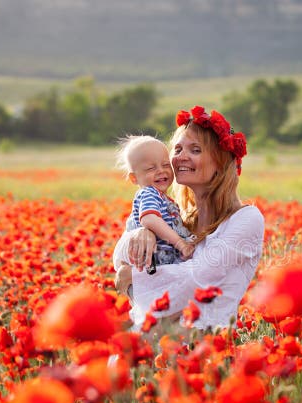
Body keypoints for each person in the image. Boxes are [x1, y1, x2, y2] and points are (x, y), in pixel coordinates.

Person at [113, 106, 264, 333]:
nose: (181, 157)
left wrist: (134, 275)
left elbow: (196, 279)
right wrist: (140, 232)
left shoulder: (246, 218)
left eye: (195, 150)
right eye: (177, 149)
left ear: (221, 161)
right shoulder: (176, 219)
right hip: (149, 343)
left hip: (204, 348)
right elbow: (119, 259)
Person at [114, 135, 194, 278]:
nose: (160, 171)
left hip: (165, 263)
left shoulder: (163, 198)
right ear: (134, 178)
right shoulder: (149, 193)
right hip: (154, 265)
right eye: (151, 168)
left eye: (165, 165)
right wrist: (180, 243)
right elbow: (149, 219)